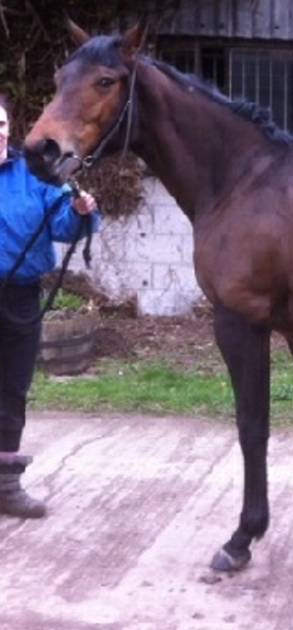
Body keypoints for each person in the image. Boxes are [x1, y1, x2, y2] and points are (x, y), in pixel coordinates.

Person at [0, 91, 100, 518]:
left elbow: (63, 225)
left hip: (20, 296)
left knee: (12, 388)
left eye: (1, 124)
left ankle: (5, 485)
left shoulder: (34, 175)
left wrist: (79, 211)